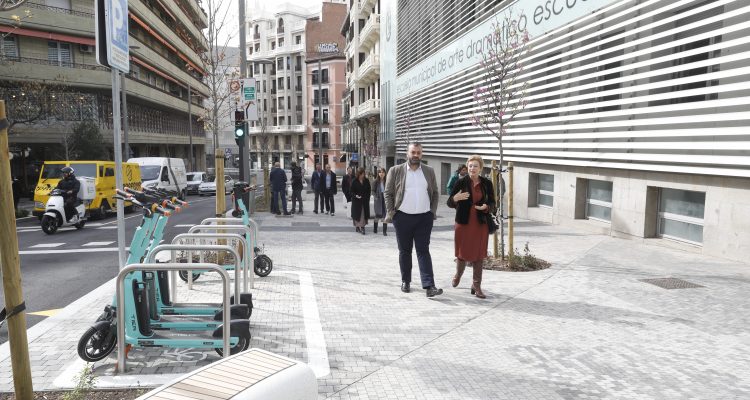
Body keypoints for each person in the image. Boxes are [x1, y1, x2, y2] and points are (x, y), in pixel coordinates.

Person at [384, 142, 442, 298]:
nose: (416, 155)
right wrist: (392, 213)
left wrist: (432, 212)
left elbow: (435, 193)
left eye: (418, 153)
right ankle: (406, 281)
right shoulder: (395, 170)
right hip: (402, 217)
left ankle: (429, 286)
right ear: (407, 153)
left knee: (423, 251)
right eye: (413, 152)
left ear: (422, 154)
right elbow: (388, 193)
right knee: (405, 251)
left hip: (424, 218)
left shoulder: (429, 171)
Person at [447, 155, 495, 299]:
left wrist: (487, 207)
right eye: (470, 166)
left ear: (480, 168)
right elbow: (449, 202)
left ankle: (476, 285)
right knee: (462, 253)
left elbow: (493, 204)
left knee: (479, 255)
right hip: (463, 223)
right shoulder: (460, 182)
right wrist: (455, 198)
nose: (472, 168)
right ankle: (458, 274)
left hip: (480, 224)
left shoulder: (487, 183)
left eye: (475, 166)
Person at [350, 167, 371, 235]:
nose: (363, 175)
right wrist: (355, 195)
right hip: (357, 201)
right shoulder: (354, 181)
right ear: (358, 174)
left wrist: (367, 198)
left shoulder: (366, 181)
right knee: (357, 214)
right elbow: (351, 191)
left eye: (363, 174)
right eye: (361, 174)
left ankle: (362, 227)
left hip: (364, 201)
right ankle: (357, 227)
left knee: (363, 214)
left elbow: (369, 190)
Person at [371, 167, 388, 236]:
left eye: (383, 172)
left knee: (385, 215)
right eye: (380, 172)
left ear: (385, 173)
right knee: (377, 215)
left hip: (385, 199)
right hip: (378, 199)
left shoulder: (387, 181)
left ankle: (384, 231)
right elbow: (372, 191)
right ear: (378, 173)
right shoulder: (375, 181)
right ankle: (375, 229)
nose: (381, 173)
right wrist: (375, 197)